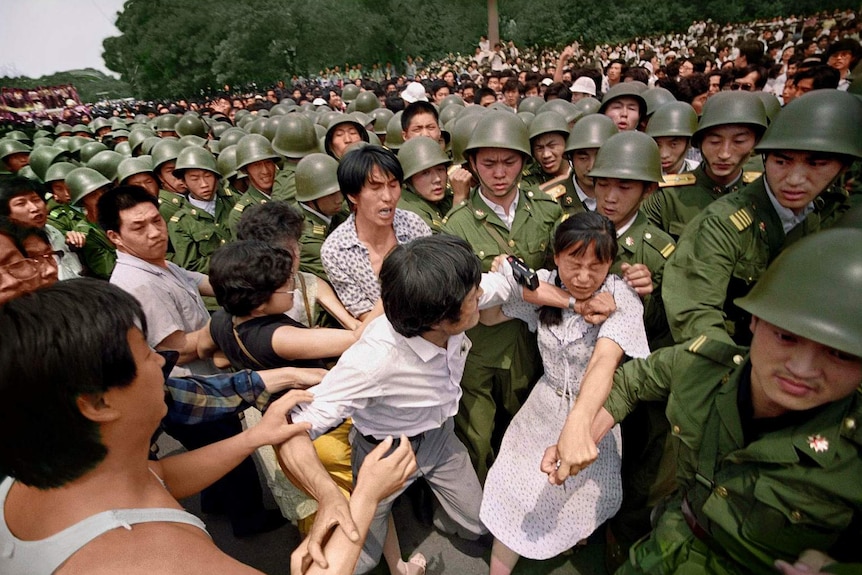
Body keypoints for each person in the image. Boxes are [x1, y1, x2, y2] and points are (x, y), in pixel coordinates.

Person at [0, 278, 412, 575]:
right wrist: (366, 497)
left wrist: (255, 437)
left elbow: (158, 477)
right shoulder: (155, 560)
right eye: (147, 356)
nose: (163, 362)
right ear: (98, 403)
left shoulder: (46, 477)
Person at [546, 227, 862, 574]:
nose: (802, 369)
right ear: (754, 321)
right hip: (664, 547)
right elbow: (629, 382)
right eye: (786, 337)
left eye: (840, 354)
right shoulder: (702, 367)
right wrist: (582, 431)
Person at [291, 235, 501, 574]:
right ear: (438, 319)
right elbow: (295, 427)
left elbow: (503, 286)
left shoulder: (452, 293)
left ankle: (441, 516)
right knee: (362, 558)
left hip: (439, 438)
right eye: (473, 295)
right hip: (383, 456)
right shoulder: (373, 362)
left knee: (479, 521)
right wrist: (326, 492)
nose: (480, 296)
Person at [479, 213, 649, 574]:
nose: (584, 277)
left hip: (593, 413)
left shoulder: (621, 296)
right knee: (518, 486)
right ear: (556, 256)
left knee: (575, 494)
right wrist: (502, 278)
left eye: (596, 266)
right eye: (574, 262)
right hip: (542, 406)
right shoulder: (541, 285)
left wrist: (578, 423)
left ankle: (570, 537)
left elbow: (605, 360)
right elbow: (490, 317)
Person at [663, 89, 861, 346]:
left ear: (843, 167)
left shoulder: (838, 215)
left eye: (816, 164)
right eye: (782, 162)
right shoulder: (723, 222)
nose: (794, 179)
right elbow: (695, 313)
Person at [321, 145, 430, 320]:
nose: (388, 196)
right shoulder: (335, 251)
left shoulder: (413, 225)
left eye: (393, 185)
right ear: (352, 195)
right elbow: (362, 314)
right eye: (376, 188)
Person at [642, 91, 767, 240]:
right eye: (714, 142)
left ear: (755, 142)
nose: (724, 154)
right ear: (699, 142)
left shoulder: (765, 195)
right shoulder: (667, 197)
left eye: (739, 141)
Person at [0, 175, 84, 280]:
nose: (34, 208)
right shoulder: (10, 245)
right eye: (21, 203)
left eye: (36, 200)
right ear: (6, 213)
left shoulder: (53, 231)